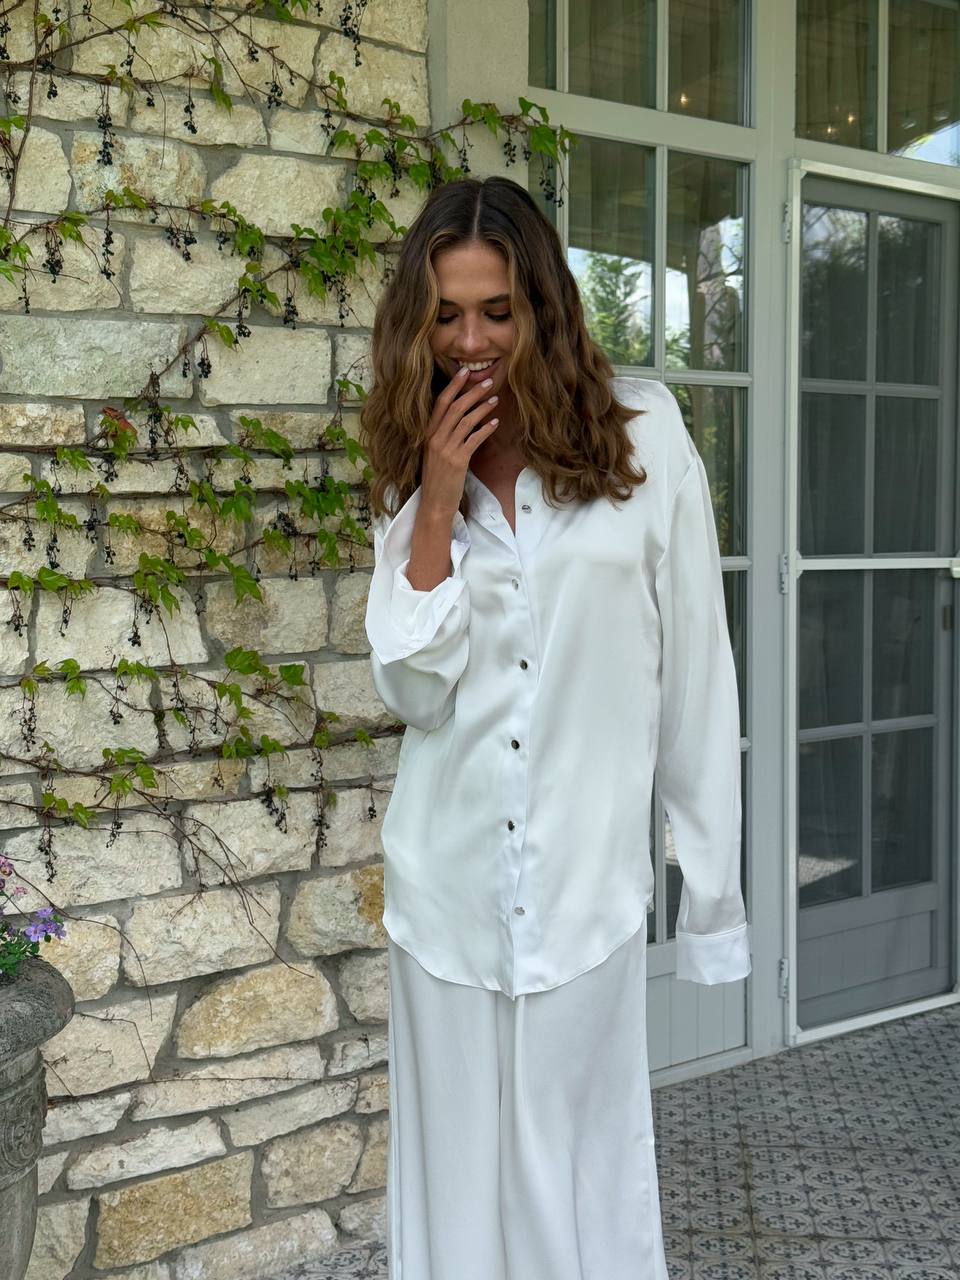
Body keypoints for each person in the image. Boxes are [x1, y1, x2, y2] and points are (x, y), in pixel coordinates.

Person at [360, 175, 751, 1280]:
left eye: (497, 308)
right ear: (418, 321)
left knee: (580, 1175)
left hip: (585, 889)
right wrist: (436, 498)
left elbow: (695, 680)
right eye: (446, 313)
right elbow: (416, 694)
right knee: (453, 1183)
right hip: (446, 889)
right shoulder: (419, 458)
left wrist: (710, 897)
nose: (472, 340)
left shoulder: (646, 435)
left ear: (545, 303)